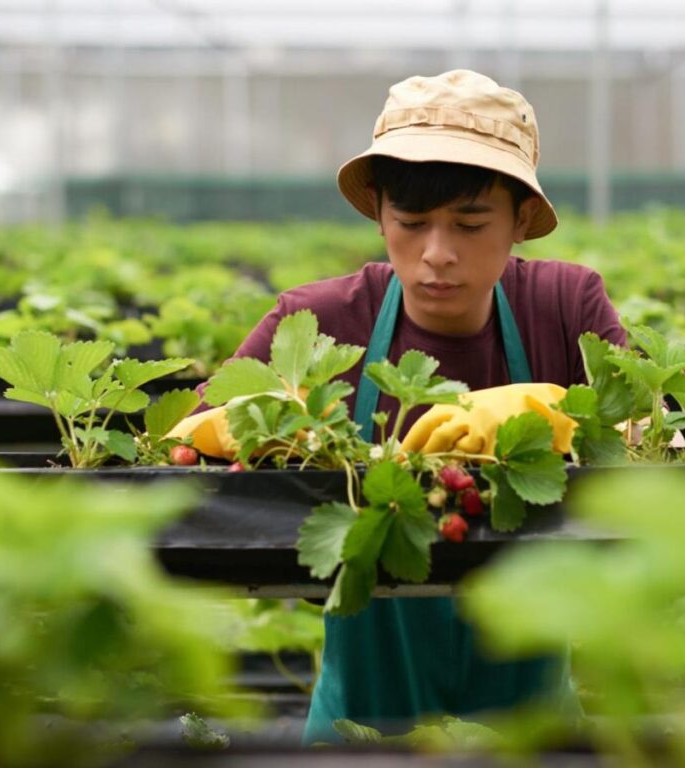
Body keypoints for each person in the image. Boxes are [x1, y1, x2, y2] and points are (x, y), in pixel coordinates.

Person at [171, 69, 626, 743]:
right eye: (411, 223)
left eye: (470, 223)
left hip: (532, 738)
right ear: (379, 211)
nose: (436, 254)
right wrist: (252, 428)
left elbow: (658, 443)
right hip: (358, 732)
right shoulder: (319, 320)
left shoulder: (564, 306)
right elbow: (184, 448)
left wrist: (557, 409)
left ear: (522, 217)